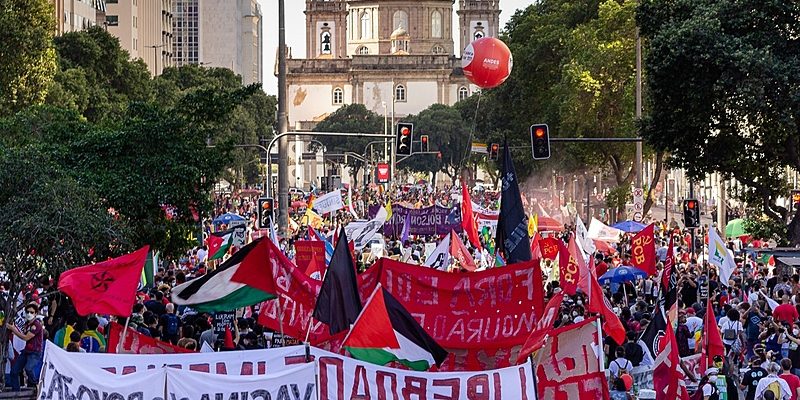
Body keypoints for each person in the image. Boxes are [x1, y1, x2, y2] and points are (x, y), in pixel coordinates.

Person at [6, 303, 44, 392]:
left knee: (28, 369)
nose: (29, 314)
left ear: (35, 313)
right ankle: (16, 392)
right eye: (27, 312)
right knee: (14, 371)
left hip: (35, 352)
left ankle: (36, 385)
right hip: (27, 351)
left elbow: (25, 337)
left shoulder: (36, 325)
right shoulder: (27, 324)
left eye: (32, 312)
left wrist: (13, 330)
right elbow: (22, 332)